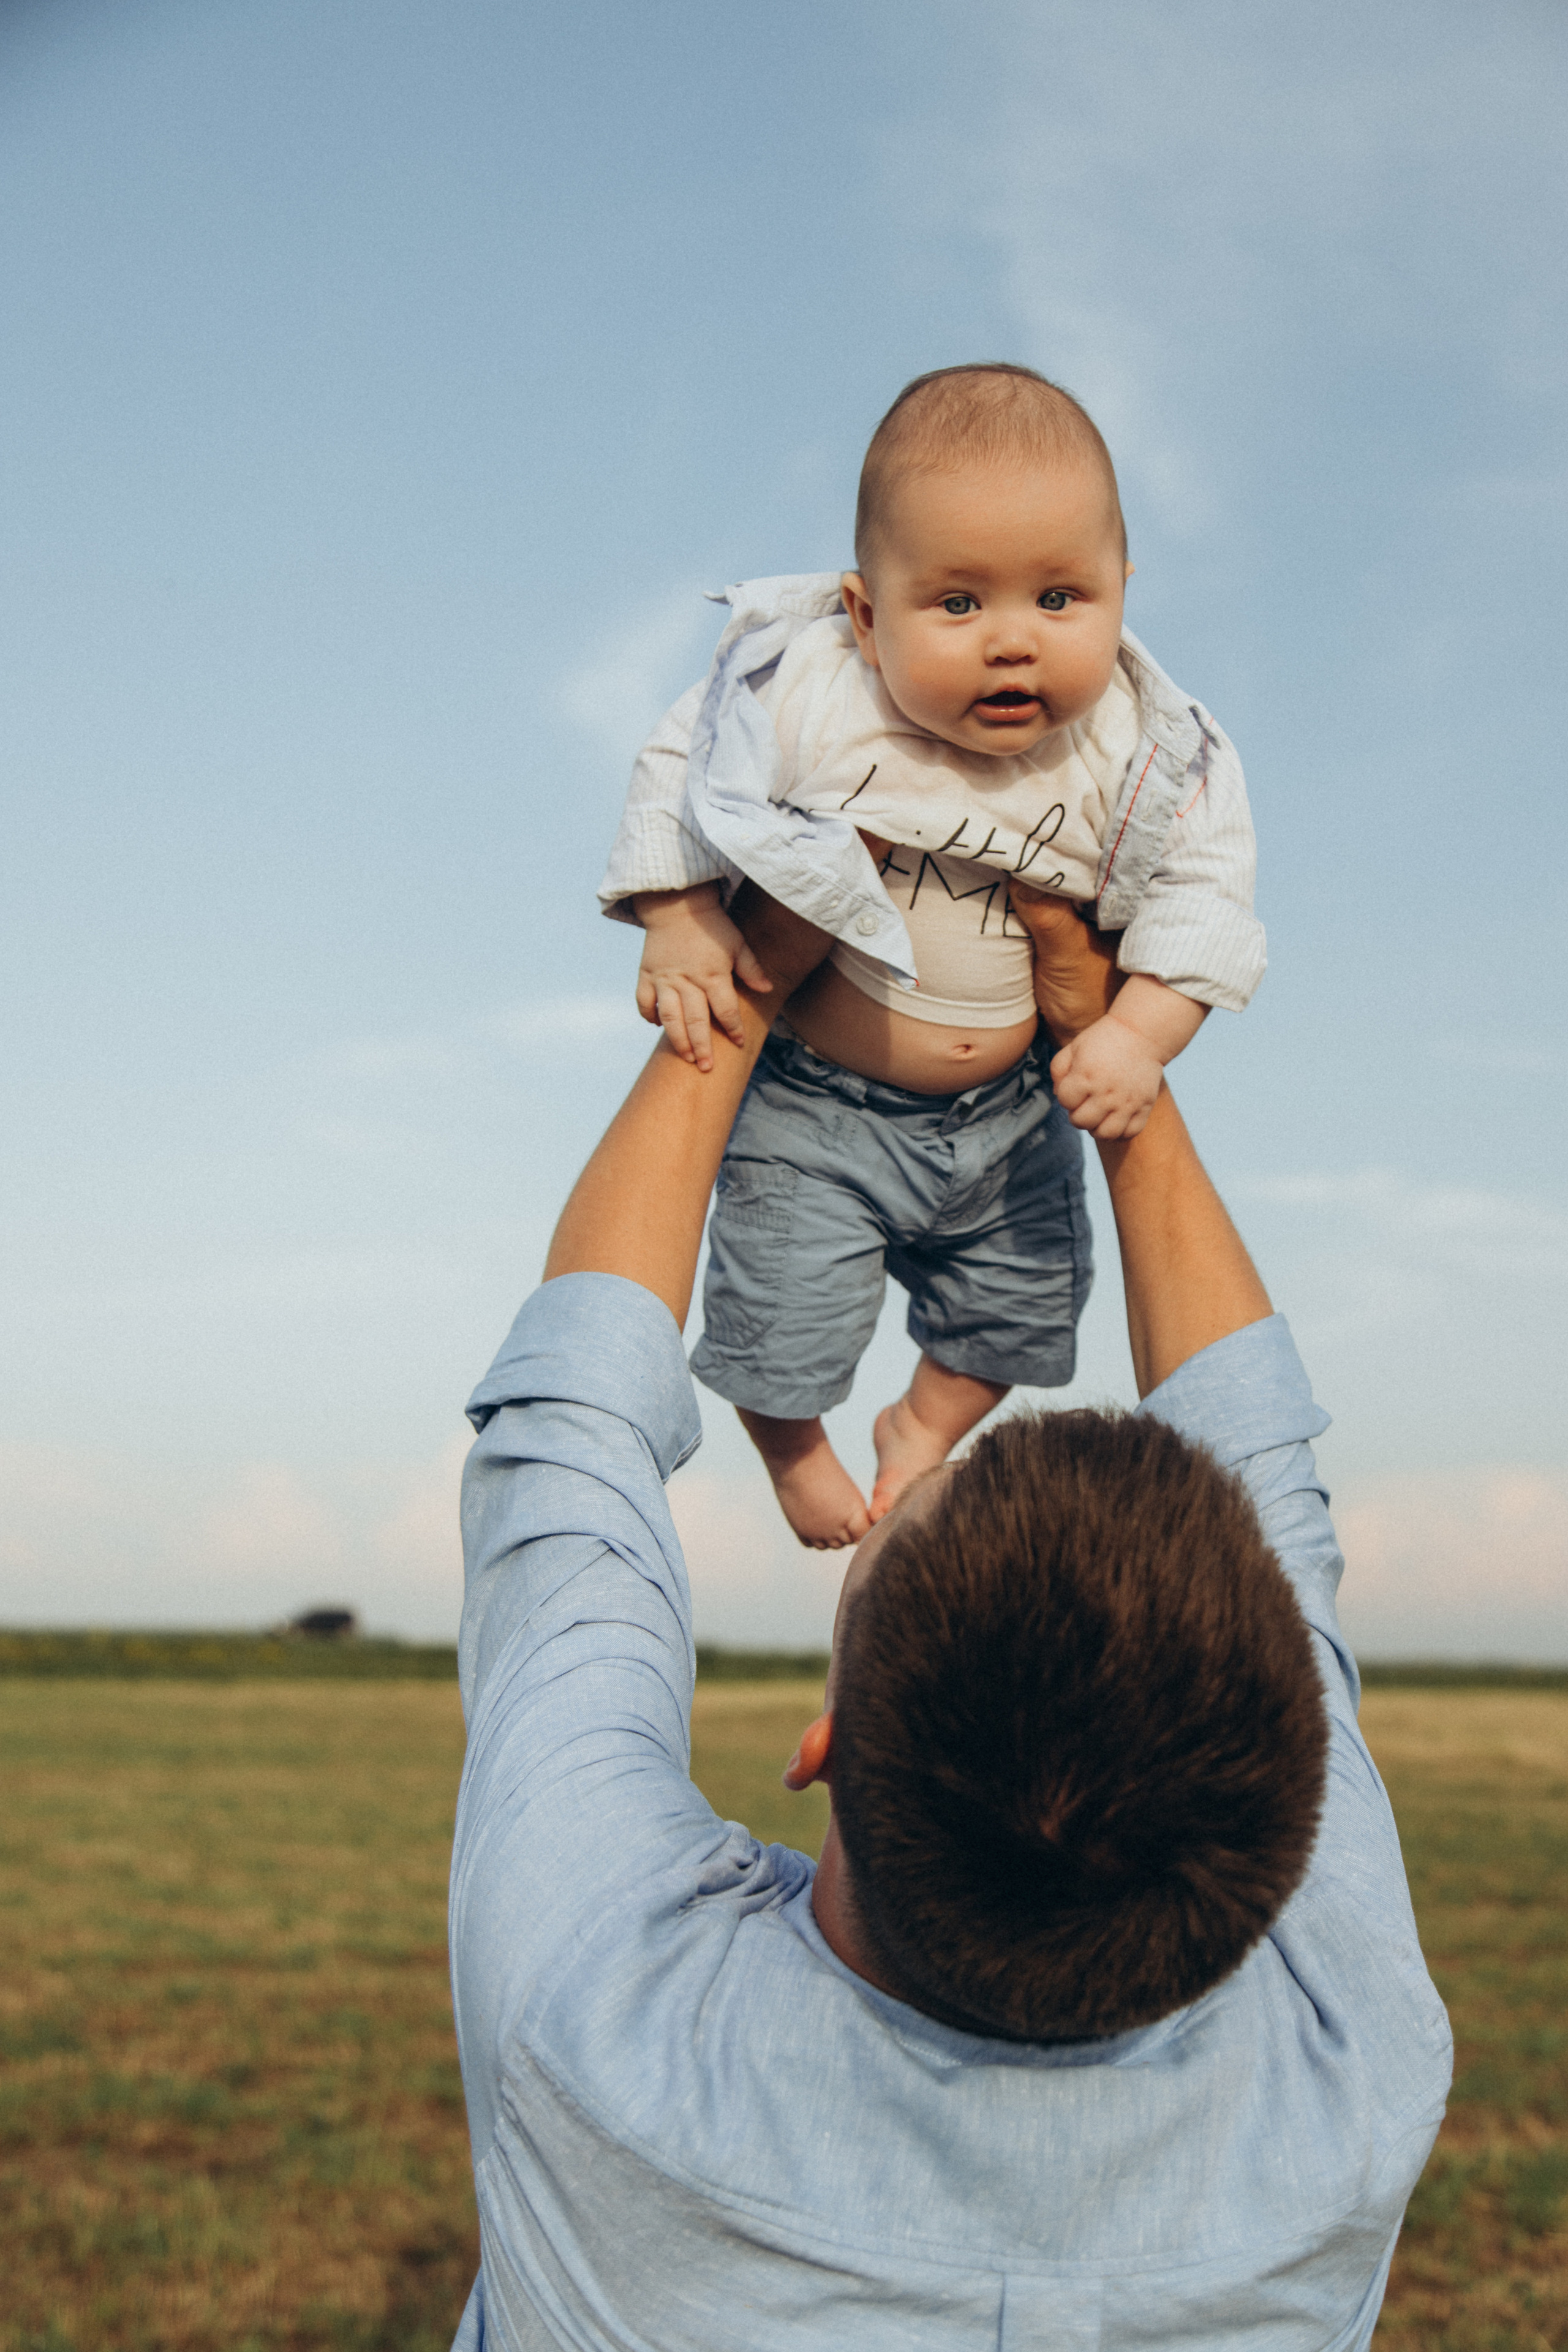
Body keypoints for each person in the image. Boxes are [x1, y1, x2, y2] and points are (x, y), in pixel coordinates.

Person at [447, 890, 1450, 2352]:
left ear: (825, 1748)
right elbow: (565, 1456)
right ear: (1297, 1796)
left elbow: (565, 1463)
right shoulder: (1353, 2065)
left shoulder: (597, 2018)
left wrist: (746, 983)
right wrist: (1116, 1059)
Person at [597, 365, 1265, 1549]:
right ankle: (792, 1444)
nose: (1014, 642)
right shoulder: (816, 693)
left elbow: (1209, 892)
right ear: (865, 614)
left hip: (1015, 1113)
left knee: (1021, 1318)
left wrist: (1137, 1032)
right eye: (957, 604)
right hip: (818, 1103)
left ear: (1122, 592)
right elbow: (684, 766)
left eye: (1061, 598)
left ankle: (921, 1424)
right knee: (774, 1319)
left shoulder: (1147, 749)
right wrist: (681, 913)